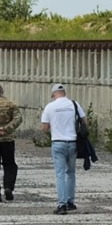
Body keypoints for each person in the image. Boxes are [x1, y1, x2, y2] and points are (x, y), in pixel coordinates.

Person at [39, 83, 86, 214]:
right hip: (73, 142)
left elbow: (44, 128)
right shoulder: (74, 104)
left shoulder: (50, 106)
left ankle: (61, 204)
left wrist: (52, 127)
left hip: (58, 142)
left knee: (60, 174)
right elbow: (85, 121)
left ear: (53, 94)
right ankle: (70, 201)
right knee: (70, 172)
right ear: (64, 93)